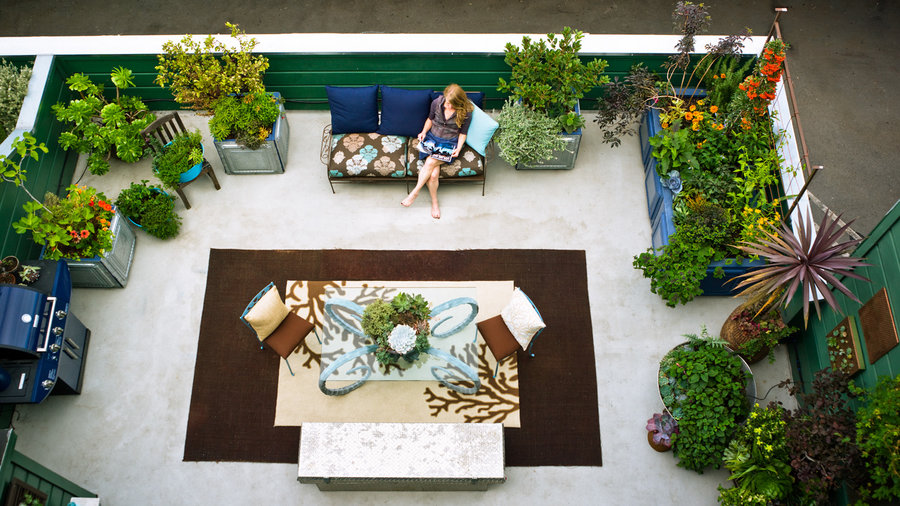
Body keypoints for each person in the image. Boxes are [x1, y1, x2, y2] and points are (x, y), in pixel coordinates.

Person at [401, 83, 473, 219]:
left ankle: (414, 193)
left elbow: (463, 133)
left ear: (459, 102)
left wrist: (458, 148)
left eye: (452, 104)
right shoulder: (437, 103)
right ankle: (435, 203)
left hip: (449, 143)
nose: (448, 106)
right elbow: (430, 119)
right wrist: (423, 132)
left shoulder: (466, 112)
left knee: (429, 163)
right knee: (433, 175)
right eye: (447, 103)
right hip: (432, 139)